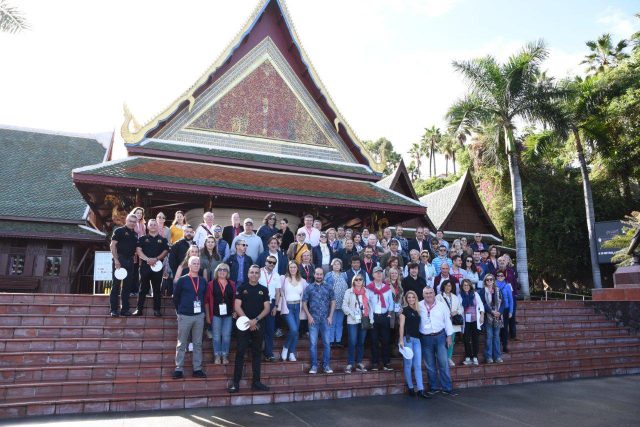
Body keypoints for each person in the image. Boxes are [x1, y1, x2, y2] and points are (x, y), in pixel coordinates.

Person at [228, 265, 270, 393]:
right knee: (240, 352)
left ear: (259, 275)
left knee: (257, 354)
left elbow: (267, 308)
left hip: (258, 325)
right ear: (248, 274)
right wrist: (248, 321)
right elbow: (237, 306)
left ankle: (256, 382)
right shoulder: (242, 288)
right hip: (243, 325)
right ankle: (235, 383)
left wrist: (255, 321)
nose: (254, 274)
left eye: (256, 273)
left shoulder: (263, 289)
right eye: (251, 272)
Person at [172, 256, 207, 379]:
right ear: (189, 265)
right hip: (185, 315)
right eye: (194, 263)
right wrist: (179, 312)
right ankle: (178, 369)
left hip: (199, 316)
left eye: (198, 263)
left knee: (197, 343)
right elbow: (175, 297)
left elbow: (204, 297)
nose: (196, 265)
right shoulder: (182, 280)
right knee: (181, 343)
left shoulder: (203, 281)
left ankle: (197, 369)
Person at [419, 287, 457, 396]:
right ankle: (434, 387)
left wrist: (449, 336)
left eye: (430, 293)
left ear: (434, 293)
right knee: (430, 364)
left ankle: (447, 387)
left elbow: (447, 321)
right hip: (425, 338)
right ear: (423, 295)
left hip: (440, 336)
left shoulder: (441, 305)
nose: (429, 295)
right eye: (426, 293)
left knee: (443, 363)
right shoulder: (419, 305)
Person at [133, 219, 170, 317]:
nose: (153, 226)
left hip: (158, 267)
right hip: (145, 266)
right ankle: (139, 309)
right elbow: (138, 250)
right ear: (148, 227)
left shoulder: (163, 240)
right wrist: (147, 259)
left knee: (157, 289)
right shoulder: (142, 238)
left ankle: (157, 310)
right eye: (151, 225)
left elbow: (166, 251)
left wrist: (156, 259)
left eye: (155, 224)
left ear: (157, 226)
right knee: (142, 288)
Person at [303, 268, 336, 374]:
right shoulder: (309, 287)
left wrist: (330, 316)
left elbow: (333, 301)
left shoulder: (328, 287)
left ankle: (326, 365)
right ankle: (314, 366)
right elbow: (304, 302)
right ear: (314, 274)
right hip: (313, 320)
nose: (319, 276)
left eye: (321, 274)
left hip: (326, 320)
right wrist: (309, 316)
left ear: (323, 275)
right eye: (317, 274)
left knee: (327, 343)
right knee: (313, 344)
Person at [398, 290, 428, 398]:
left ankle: (420, 390)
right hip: (408, 339)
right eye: (409, 297)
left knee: (418, 365)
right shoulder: (404, 311)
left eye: (413, 297)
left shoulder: (418, 310)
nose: (411, 299)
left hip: (417, 340)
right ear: (406, 299)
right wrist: (401, 340)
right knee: (408, 364)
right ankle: (410, 388)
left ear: (415, 298)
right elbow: (401, 326)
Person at [204, 263, 235, 365]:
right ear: (217, 272)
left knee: (226, 336)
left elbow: (234, 300)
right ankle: (217, 355)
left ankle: (225, 355)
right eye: (220, 270)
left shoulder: (232, 284)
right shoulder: (211, 284)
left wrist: (235, 311)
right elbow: (207, 301)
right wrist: (208, 316)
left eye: (225, 270)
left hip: (228, 315)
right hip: (216, 314)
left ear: (228, 272)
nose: (222, 271)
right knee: (216, 336)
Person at [109, 214, 139, 317]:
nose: (132, 223)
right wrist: (116, 260)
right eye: (130, 221)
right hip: (120, 259)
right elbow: (112, 245)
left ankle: (124, 310)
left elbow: (135, 249)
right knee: (116, 285)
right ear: (126, 220)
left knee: (127, 286)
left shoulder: (135, 234)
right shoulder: (119, 231)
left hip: (130, 261)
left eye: (134, 222)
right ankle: (113, 310)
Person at [342, 274, 372, 373]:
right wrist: (352, 314)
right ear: (353, 281)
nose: (358, 281)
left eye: (360, 279)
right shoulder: (348, 292)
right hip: (352, 320)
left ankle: (359, 362)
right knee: (352, 342)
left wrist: (371, 318)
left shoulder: (367, 292)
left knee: (361, 342)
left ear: (363, 281)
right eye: (356, 280)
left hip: (364, 319)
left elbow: (370, 305)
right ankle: (350, 363)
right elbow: (344, 306)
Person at [279, 261, 308, 361]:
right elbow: (279, 291)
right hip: (288, 307)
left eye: (294, 267)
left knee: (296, 332)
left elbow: (307, 293)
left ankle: (291, 353)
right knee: (294, 329)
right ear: (288, 268)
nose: (292, 269)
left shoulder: (302, 281)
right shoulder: (283, 279)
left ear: (297, 268)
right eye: (291, 267)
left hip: (298, 307)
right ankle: (285, 347)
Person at [368, 266, 394, 371]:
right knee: (374, 340)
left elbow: (391, 302)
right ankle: (375, 363)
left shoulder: (386, 288)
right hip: (373, 316)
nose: (378, 274)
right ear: (373, 275)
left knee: (386, 340)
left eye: (380, 273)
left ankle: (386, 363)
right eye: (376, 273)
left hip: (384, 316)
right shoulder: (369, 288)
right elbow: (367, 302)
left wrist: (389, 314)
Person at [258, 255, 281, 362]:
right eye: (269, 262)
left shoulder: (277, 275)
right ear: (265, 261)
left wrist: (276, 306)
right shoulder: (258, 272)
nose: (271, 264)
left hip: (271, 303)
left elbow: (278, 292)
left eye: (273, 263)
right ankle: (257, 351)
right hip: (259, 303)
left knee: (270, 330)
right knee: (257, 328)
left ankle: (269, 353)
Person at [436, 280, 462, 367]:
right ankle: (440, 359)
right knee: (441, 342)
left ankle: (448, 358)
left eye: (450, 286)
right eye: (446, 285)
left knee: (451, 342)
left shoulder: (455, 297)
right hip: (442, 323)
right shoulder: (438, 297)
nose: (448, 287)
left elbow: (461, 308)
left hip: (452, 324)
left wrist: (456, 312)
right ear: (443, 286)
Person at [478, 274, 503, 363]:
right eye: (487, 280)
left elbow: (503, 303)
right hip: (488, 316)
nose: (489, 281)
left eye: (491, 279)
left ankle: (498, 357)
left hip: (497, 317)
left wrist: (499, 312)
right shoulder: (482, 291)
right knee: (489, 336)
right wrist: (491, 312)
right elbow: (482, 304)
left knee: (496, 337)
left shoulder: (498, 290)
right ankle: (488, 357)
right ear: (485, 281)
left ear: (493, 280)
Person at [460, 279, 484, 366]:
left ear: (470, 286)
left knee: (475, 339)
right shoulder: (460, 296)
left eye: (467, 285)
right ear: (462, 287)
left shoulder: (475, 294)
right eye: (464, 285)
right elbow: (459, 308)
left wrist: (481, 315)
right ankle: (468, 356)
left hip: (475, 319)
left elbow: (481, 305)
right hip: (465, 321)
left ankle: (475, 357)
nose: (466, 286)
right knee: (466, 339)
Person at [325, 258, 348, 347]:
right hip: (332, 303)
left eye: (338, 264)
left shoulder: (344, 275)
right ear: (332, 266)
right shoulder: (328, 275)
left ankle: (338, 340)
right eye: (335, 264)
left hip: (342, 303)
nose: (336, 266)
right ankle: (330, 340)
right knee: (331, 322)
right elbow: (325, 288)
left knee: (340, 323)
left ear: (341, 266)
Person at [495, 271, 514, 353]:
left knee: (505, 328)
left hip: (505, 310)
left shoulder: (507, 286)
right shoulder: (493, 285)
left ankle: (505, 345)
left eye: (501, 275)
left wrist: (511, 311)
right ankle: (497, 346)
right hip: (497, 310)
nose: (499, 277)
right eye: (498, 275)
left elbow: (511, 300)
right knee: (497, 328)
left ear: (504, 277)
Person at [129, 207, 146, 295]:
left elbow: (143, 237)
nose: (139, 214)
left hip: (140, 249)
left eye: (141, 213)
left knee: (138, 270)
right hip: (132, 249)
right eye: (137, 213)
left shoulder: (143, 225)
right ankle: (131, 290)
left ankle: (136, 289)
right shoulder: (132, 224)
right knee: (132, 269)